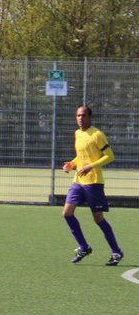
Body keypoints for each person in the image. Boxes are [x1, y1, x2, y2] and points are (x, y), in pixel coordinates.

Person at [62, 105, 124, 266]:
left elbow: (109, 156)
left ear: (90, 117)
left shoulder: (97, 135)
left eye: (83, 115)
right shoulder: (77, 133)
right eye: (78, 115)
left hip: (93, 182)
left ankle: (116, 251)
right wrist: (71, 164)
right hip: (78, 181)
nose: (80, 118)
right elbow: (81, 156)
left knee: (98, 219)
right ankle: (84, 247)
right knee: (67, 213)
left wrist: (91, 166)